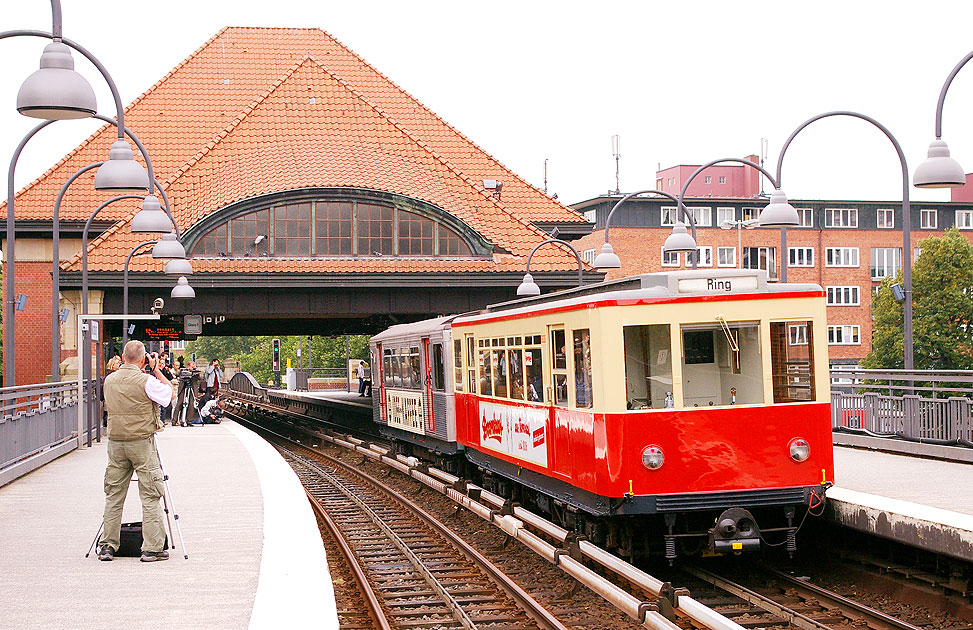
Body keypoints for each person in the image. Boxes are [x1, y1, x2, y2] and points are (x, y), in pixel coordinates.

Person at [97, 341, 175, 563]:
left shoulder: (109, 380)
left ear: (123, 357)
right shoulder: (147, 380)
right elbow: (169, 395)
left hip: (115, 442)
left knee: (114, 494)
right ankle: (152, 548)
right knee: (150, 494)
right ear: (143, 360)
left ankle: (107, 546)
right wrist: (157, 370)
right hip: (141, 442)